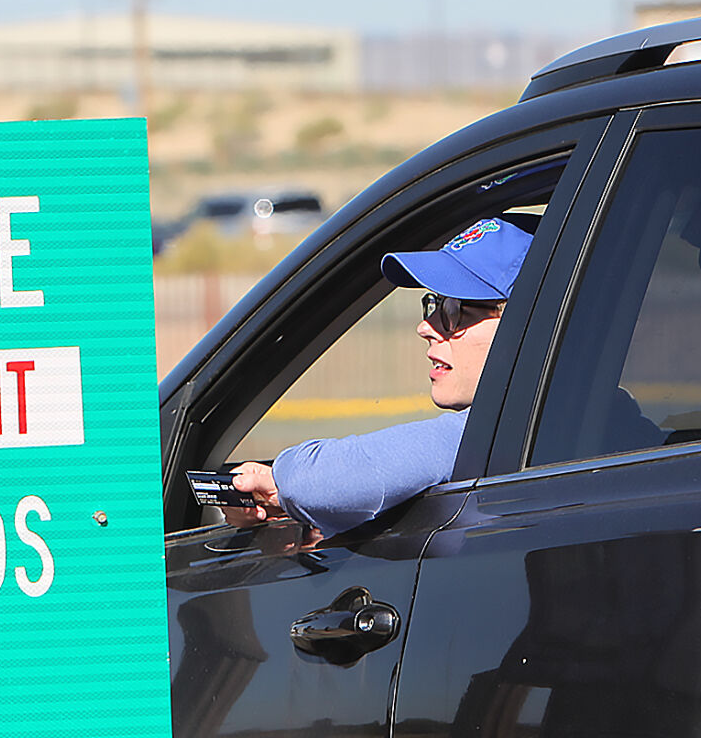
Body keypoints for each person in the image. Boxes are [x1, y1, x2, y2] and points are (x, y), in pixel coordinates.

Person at [227, 216, 533, 535]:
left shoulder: (503, 430)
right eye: (435, 304)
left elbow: (320, 482)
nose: (425, 327)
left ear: (526, 321)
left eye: (455, 310)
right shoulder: (537, 430)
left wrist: (281, 480)